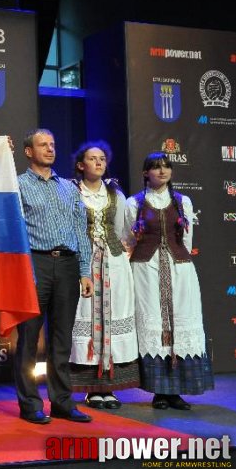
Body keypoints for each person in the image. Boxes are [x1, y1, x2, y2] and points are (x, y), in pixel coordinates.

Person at [15, 129, 94, 424]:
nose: (50, 149)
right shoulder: (19, 185)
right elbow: (16, 231)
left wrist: (85, 270)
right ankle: (30, 404)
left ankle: (62, 401)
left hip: (68, 264)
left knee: (62, 339)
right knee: (29, 338)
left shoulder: (69, 188)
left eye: (53, 144)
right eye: (42, 145)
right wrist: (23, 270)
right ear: (28, 151)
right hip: (35, 263)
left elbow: (80, 232)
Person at [126, 152, 213, 409]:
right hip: (146, 270)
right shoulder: (135, 203)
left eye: (166, 167)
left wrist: (178, 261)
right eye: (155, 167)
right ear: (145, 173)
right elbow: (129, 240)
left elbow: (187, 240)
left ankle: (175, 391)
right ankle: (158, 391)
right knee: (154, 326)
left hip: (179, 269)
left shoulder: (183, 201)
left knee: (178, 324)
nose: (162, 171)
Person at [68, 141, 139, 409]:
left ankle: (109, 388)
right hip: (83, 265)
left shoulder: (115, 195)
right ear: (80, 165)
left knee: (112, 319)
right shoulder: (71, 192)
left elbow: (122, 230)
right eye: (92, 158)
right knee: (86, 318)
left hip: (114, 263)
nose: (98, 163)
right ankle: (91, 388)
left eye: (102, 159)